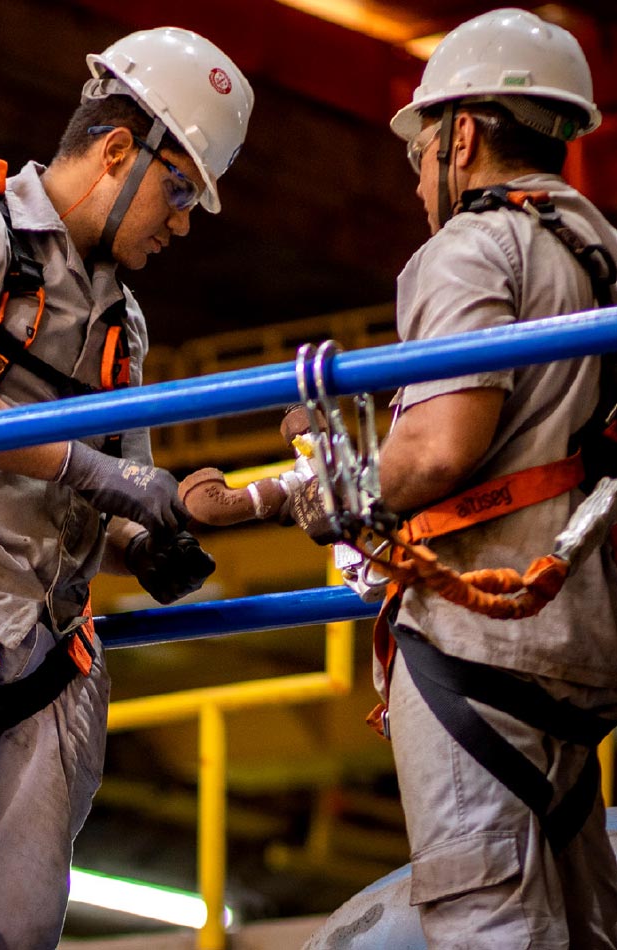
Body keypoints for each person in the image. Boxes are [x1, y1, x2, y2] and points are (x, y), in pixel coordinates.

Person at [0, 25, 253, 949]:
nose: (181, 222)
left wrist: (156, 533)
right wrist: (98, 470)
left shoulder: (123, 322)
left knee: (11, 938)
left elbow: (115, 494)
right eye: (179, 190)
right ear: (117, 151)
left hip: (47, 653)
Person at [373, 8, 617, 948]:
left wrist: (323, 491)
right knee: (585, 922)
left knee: (487, 924)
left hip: (482, 638)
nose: (419, 183)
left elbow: (439, 447)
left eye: (421, 151)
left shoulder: (473, 247)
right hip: (583, 634)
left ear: (462, 135)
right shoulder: (602, 258)